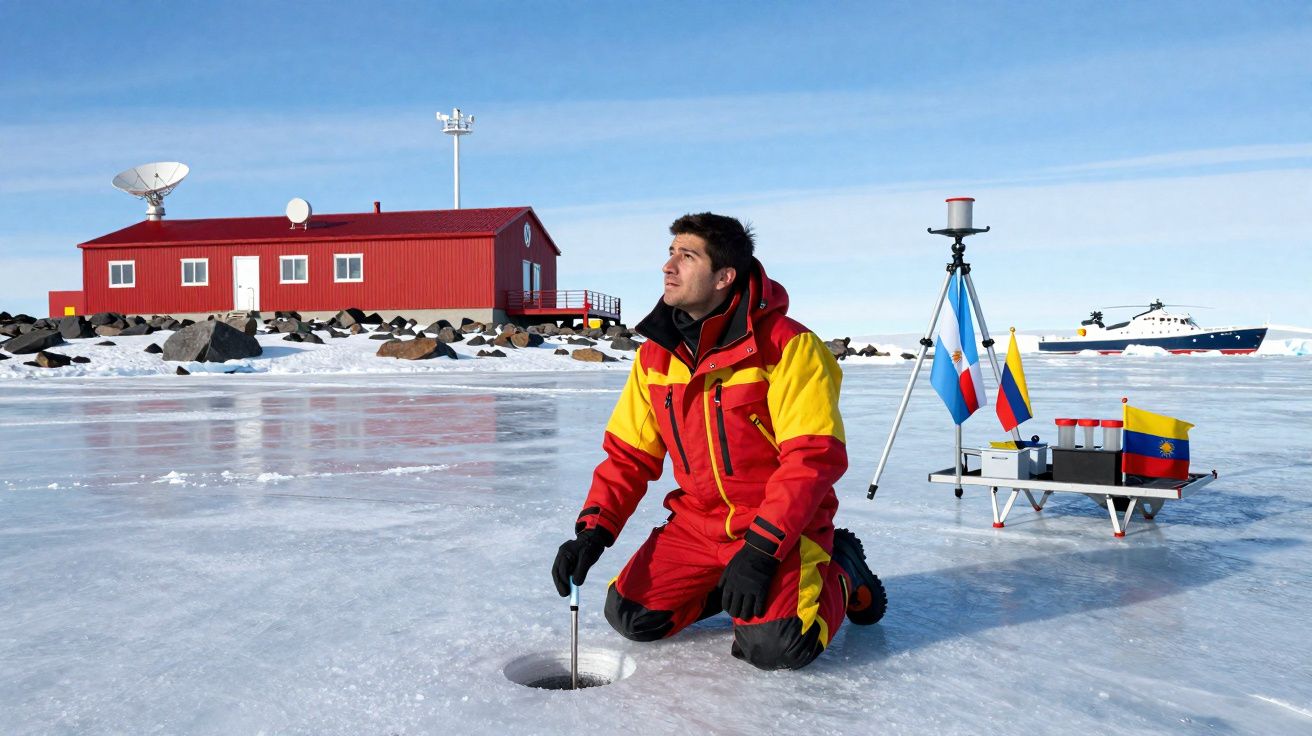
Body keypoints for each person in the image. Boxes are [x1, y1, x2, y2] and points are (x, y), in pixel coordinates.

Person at [551, 213, 885, 670]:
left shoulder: (788, 347)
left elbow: (811, 460)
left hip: (779, 526)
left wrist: (762, 551)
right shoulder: (655, 356)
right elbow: (629, 455)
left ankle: (842, 568)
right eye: (670, 254)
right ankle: (725, 582)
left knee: (776, 646)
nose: (668, 267)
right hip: (699, 524)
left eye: (686, 256)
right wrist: (593, 533)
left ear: (724, 277)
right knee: (630, 615)